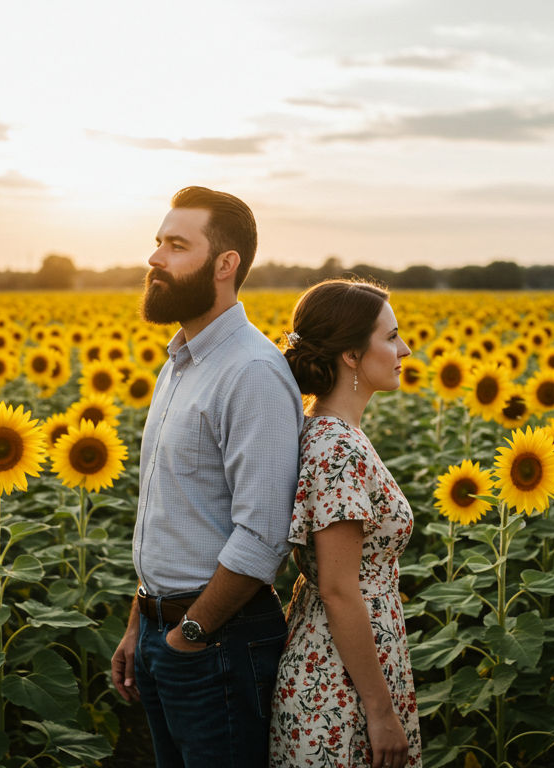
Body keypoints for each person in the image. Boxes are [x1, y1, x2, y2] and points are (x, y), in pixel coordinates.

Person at [111, 186, 305, 768]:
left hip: (217, 638)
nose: (155, 259)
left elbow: (263, 535)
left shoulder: (250, 372)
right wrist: (139, 622)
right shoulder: (181, 361)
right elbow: (168, 511)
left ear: (226, 265)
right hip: (164, 628)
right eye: (157, 243)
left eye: (176, 245)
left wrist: (187, 636)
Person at [270, 279, 421, 768]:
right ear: (352, 355)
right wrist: (380, 713)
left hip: (342, 660)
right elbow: (339, 588)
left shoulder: (330, 430)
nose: (405, 349)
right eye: (391, 337)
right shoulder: (337, 447)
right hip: (339, 679)